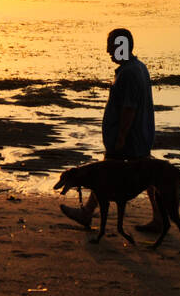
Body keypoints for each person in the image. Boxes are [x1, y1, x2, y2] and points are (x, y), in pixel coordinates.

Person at [60, 27, 162, 231]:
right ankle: (158, 218)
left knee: (106, 174)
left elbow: (129, 108)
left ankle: (87, 213)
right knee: (146, 175)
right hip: (139, 135)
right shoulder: (137, 67)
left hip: (129, 138)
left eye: (111, 46)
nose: (107, 51)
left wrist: (121, 137)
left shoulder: (129, 73)